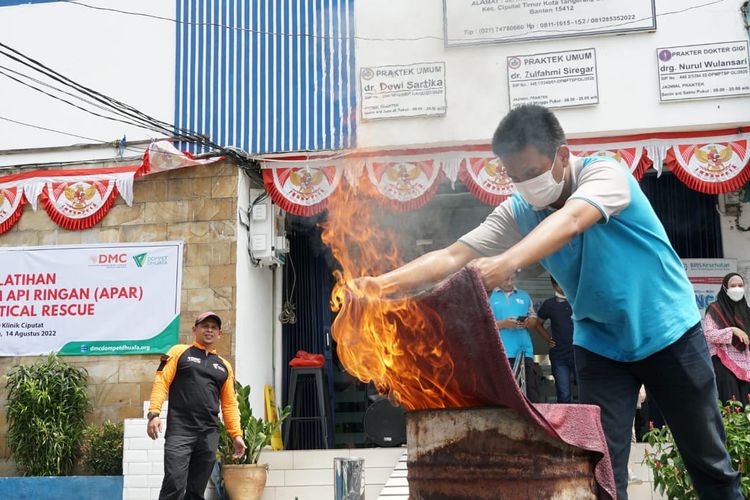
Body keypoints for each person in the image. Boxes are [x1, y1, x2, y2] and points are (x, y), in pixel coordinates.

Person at [362, 105, 741, 499]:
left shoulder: (605, 174)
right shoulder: (520, 210)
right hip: (600, 347)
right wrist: (378, 284)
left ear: (562, 155)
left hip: (669, 334)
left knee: (708, 463)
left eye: (532, 173)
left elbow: (573, 220)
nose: (526, 185)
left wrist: (506, 262)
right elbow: (453, 256)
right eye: (514, 177)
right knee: (602, 475)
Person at [147, 311, 246, 500]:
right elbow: (161, 382)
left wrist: (236, 435)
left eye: (214, 327)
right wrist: (154, 413)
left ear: (219, 334)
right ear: (195, 329)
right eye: (204, 326)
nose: (209, 330)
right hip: (180, 430)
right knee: (174, 483)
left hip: (208, 433)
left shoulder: (224, 366)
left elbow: (229, 404)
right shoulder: (178, 352)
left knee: (196, 490)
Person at [489, 274, 541, 402]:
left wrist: (527, 322)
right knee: (504, 393)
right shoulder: (488, 296)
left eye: (512, 279)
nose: (510, 283)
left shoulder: (524, 296)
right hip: (500, 352)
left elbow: (534, 320)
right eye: (506, 278)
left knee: (530, 392)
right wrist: (502, 324)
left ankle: (532, 420)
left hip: (524, 351)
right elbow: (481, 325)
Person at [703, 272, 750, 403]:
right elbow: (709, 334)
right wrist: (732, 330)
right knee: (731, 403)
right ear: (725, 288)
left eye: (740, 285)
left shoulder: (747, 311)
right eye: (733, 285)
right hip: (723, 362)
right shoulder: (715, 309)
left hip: (746, 366)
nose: (737, 289)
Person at [534, 276, 576, 403]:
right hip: (559, 356)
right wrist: (548, 339)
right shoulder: (549, 304)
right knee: (564, 394)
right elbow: (537, 323)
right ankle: (565, 423)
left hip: (579, 354)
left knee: (586, 391)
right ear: (554, 286)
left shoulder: (576, 300)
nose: (563, 286)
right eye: (559, 284)